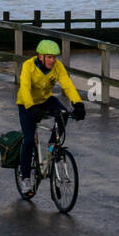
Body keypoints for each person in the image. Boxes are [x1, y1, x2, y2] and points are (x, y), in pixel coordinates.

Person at [17, 39, 85, 195]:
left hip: (46, 100)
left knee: (64, 114)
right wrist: (31, 107)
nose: (53, 60)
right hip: (27, 103)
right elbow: (25, 88)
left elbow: (67, 84)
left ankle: (51, 148)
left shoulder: (57, 67)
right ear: (40, 56)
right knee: (28, 140)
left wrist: (78, 104)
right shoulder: (29, 66)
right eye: (49, 57)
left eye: (54, 57)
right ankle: (25, 178)